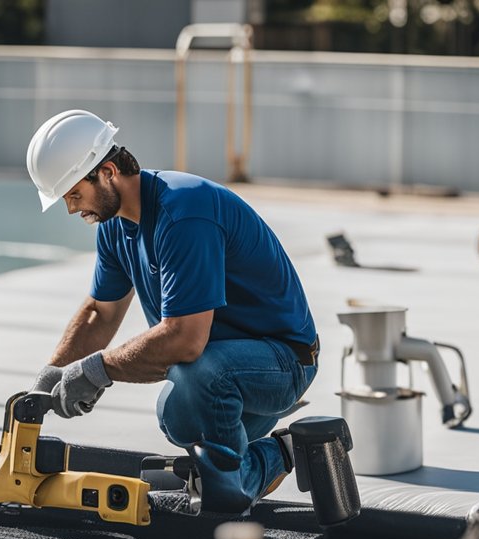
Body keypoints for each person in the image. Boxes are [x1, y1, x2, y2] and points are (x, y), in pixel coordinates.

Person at [25, 109, 319, 514]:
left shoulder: (184, 211)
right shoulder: (114, 225)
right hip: (223, 365)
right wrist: (49, 379)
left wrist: (97, 370)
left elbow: (185, 338)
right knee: (175, 414)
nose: (71, 209)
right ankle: (229, 466)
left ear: (107, 171)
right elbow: (100, 313)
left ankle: (267, 462)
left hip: (284, 360)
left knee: (195, 375)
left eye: (73, 194)